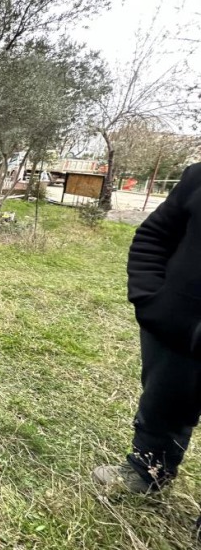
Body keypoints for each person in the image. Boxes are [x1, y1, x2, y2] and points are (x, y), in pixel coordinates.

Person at [93, 163, 201, 492]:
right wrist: (151, 298)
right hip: (176, 330)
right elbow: (154, 235)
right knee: (162, 401)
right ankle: (148, 471)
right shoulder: (197, 178)